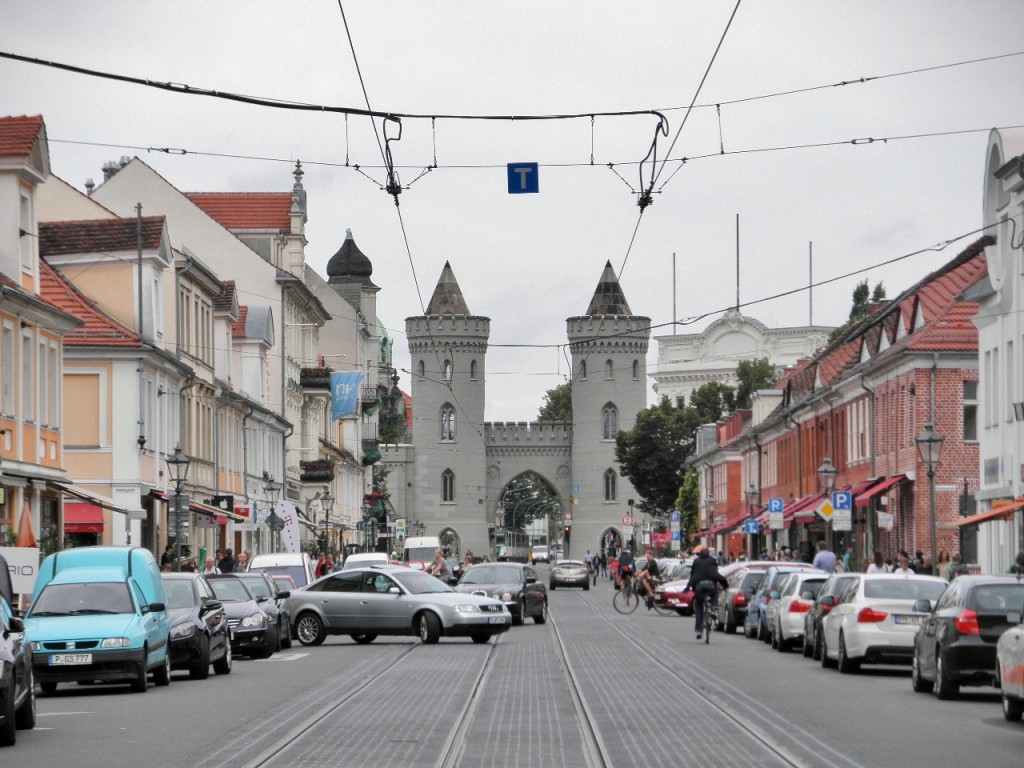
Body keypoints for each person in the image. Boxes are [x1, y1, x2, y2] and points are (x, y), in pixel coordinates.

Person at [684, 544, 728, 641]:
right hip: (711, 585)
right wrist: (725, 586)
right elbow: (716, 574)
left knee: (699, 608)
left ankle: (699, 630)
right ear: (709, 554)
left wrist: (690, 587)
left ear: (700, 553)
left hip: (699, 587)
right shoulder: (712, 561)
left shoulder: (696, 561)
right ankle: (714, 608)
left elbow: (693, 575)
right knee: (714, 593)